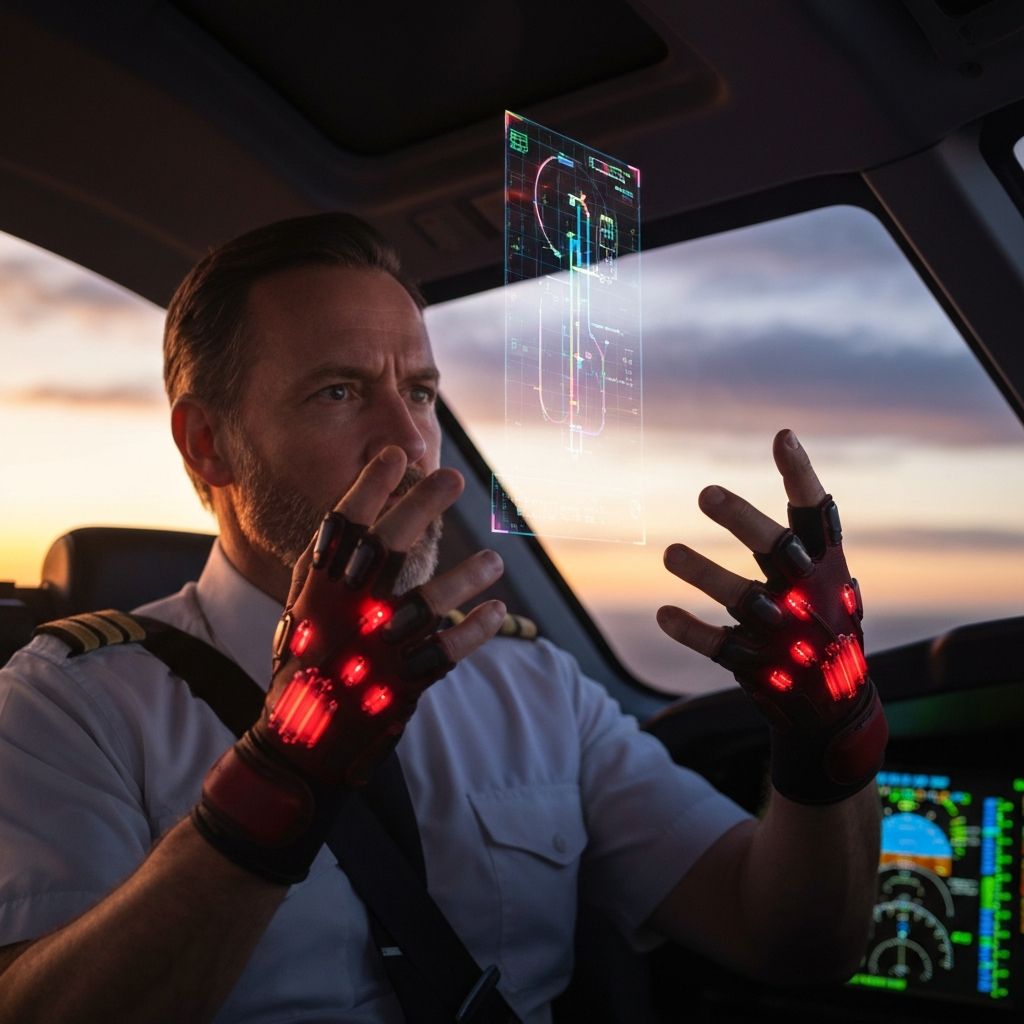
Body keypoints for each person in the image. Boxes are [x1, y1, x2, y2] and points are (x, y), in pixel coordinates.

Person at [0, 213, 885, 1023]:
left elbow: (790, 942)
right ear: (209, 444)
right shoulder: (69, 705)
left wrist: (829, 745)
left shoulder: (530, 683)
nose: (409, 441)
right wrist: (279, 778)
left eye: (419, 392)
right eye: (339, 392)